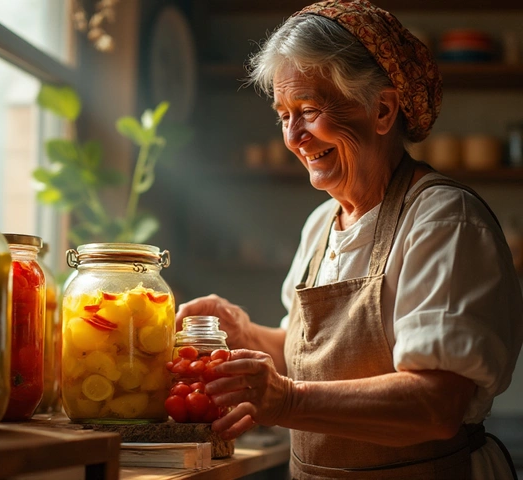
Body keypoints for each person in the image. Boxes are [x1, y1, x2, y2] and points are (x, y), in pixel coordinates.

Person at [175, 1, 523, 478]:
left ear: (381, 109)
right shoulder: (321, 225)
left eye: (310, 110)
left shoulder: (442, 221)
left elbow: (436, 404)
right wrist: (248, 335)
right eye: (283, 115)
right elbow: (319, 360)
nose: (294, 137)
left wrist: (285, 399)